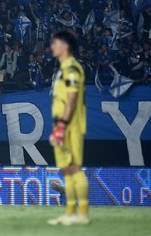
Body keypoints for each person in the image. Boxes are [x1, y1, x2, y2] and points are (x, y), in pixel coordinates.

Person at [47, 30, 89, 226]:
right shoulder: (63, 69)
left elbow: (71, 100)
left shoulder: (71, 69)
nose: (52, 47)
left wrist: (62, 126)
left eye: (56, 43)